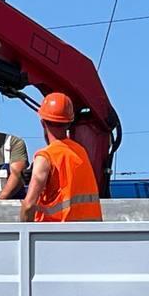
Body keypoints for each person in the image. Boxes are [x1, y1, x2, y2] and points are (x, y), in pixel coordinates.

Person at [20, 92, 104, 222]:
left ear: (43, 123)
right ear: (69, 123)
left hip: (56, 236)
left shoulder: (45, 157)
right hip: (90, 235)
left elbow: (28, 206)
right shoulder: (81, 152)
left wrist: (25, 235)